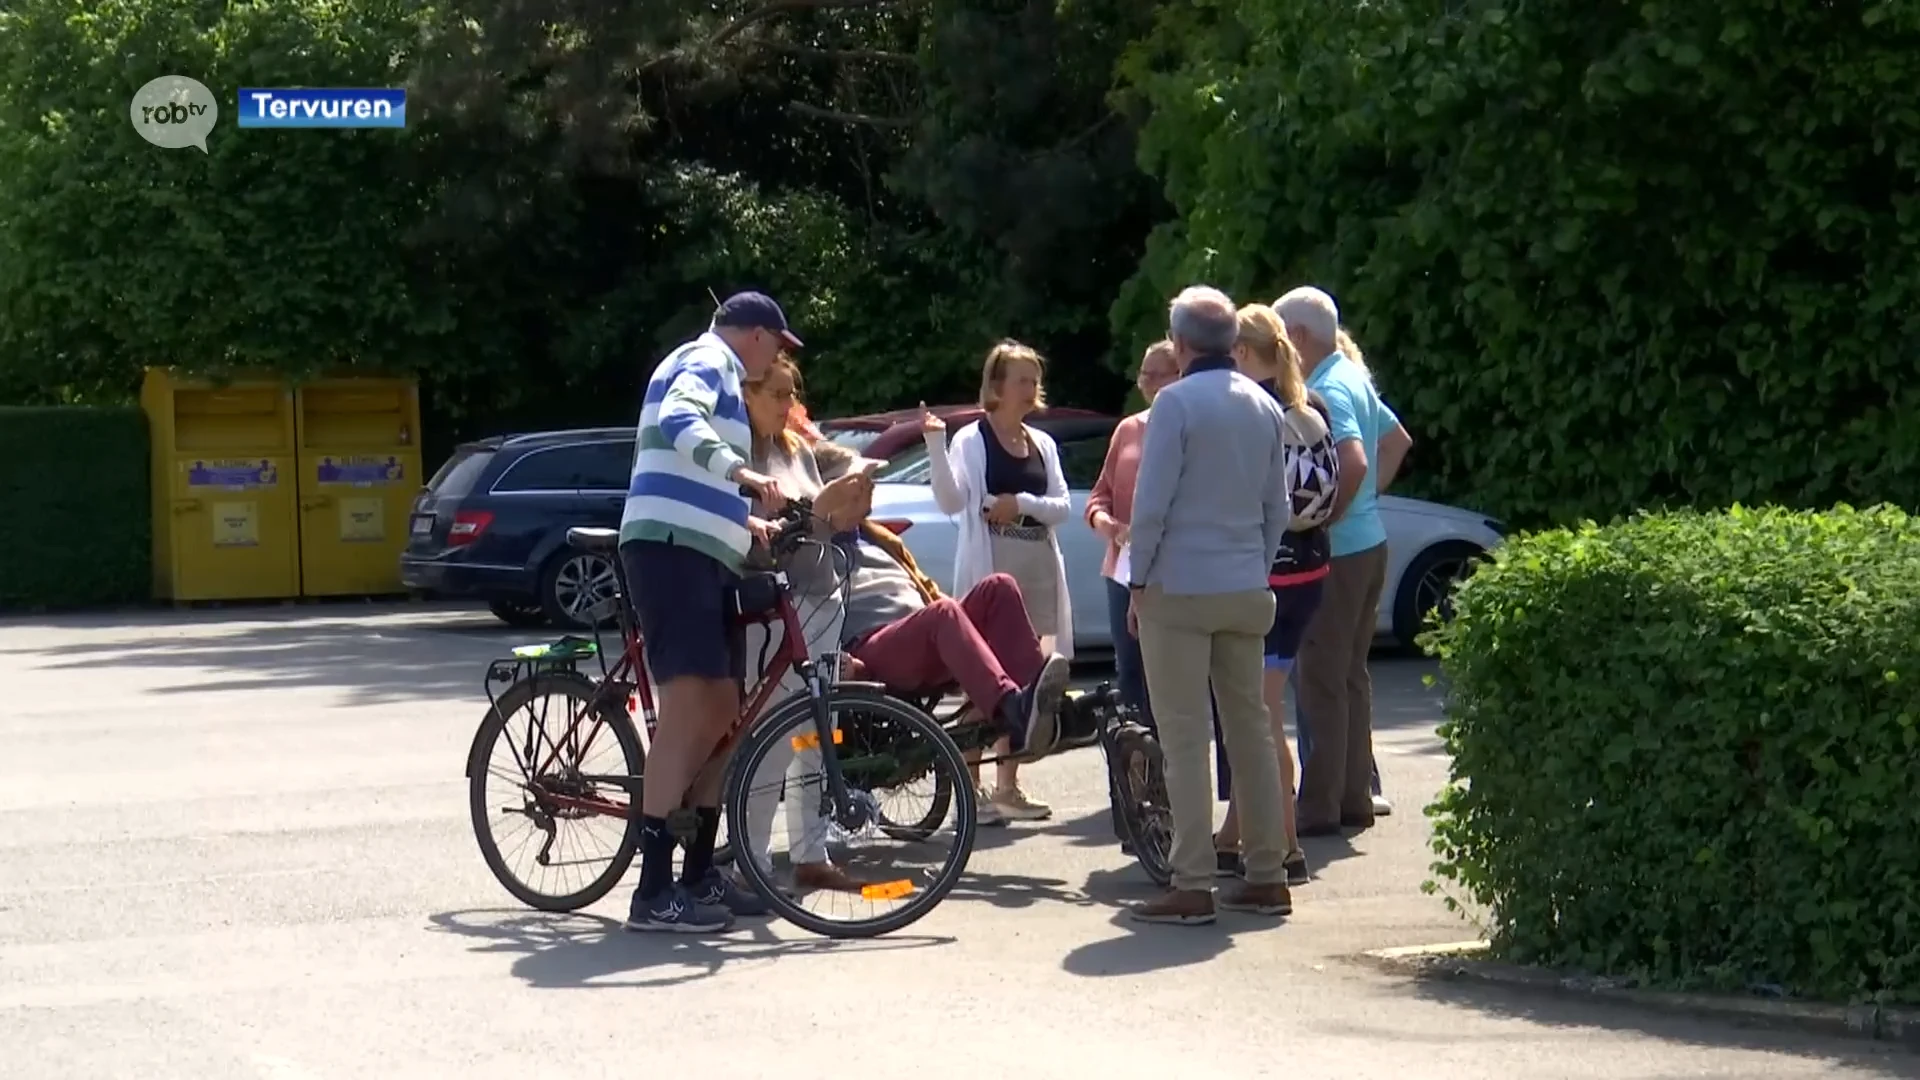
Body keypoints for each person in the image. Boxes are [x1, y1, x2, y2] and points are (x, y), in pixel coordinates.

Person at [617, 290, 798, 933]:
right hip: (669, 552)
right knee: (689, 708)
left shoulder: (720, 366)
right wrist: (743, 474)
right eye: (778, 342)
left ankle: (698, 874)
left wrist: (741, 517)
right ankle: (652, 891)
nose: (779, 354)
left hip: (698, 550)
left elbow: (690, 473)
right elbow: (677, 421)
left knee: (725, 712)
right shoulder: (706, 361)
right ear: (753, 334)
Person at [1126, 286, 1295, 925]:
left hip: (1180, 586)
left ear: (1180, 343)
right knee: (1250, 729)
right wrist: (1253, 565)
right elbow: (1276, 508)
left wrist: (1139, 583)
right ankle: (1268, 873)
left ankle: (1192, 882)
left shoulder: (1174, 404)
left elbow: (1152, 505)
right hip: (1244, 586)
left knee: (1185, 735)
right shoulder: (1264, 404)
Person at [1272, 288, 1413, 837]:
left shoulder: (1326, 387)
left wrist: (1323, 520)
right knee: (1350, 676)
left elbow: (1352, 458)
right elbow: (1396, 441)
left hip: (1345, 550)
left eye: (1285, 339)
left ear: (1300, 337)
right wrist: (1364, 506)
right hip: (1370, 543)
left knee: (1321, 680)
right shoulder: (1354, 375)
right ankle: (1354, 795)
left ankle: (1320, 807)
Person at [1208, 303, 1340, 887]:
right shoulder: (1311, 407)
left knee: (1257, 717)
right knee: (1259, 707)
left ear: (1240, 353)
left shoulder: (1255, 412)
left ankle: (1286, 848)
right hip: (1311, 573)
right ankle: (1233, 833)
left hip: (1271, 576)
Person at [919, 340, 1074, 822]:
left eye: (1034, 380)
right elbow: (949, 501)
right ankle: (973, 787)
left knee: (1029, 680)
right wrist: (934, 445)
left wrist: (1020, 504)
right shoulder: (972, 439)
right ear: (997, 386)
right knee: (985, 681)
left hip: (1038, 563)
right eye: (1022, 380)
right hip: (994, 563)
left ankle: (1009, 786)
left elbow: (1062, 506)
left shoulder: (1041, 443)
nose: (1031, 390)